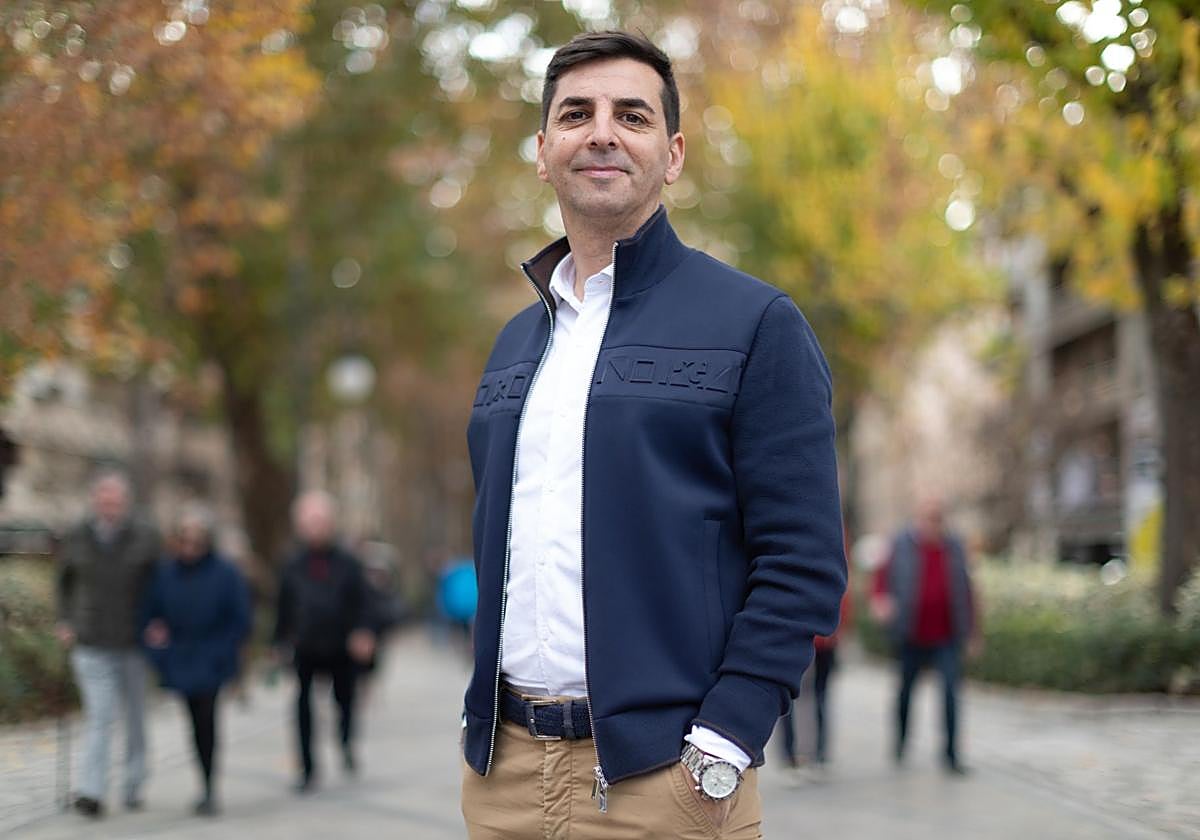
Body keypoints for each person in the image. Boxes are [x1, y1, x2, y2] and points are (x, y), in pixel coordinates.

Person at [460, 31, 846, 839]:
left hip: (664, 782)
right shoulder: (512, 347)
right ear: (542, 150)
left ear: (671, 155)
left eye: (630, 115)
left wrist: (723, 743)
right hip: (503, 782)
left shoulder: (755, 323)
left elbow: (803, 561)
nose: (601, 132)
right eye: (576, 114)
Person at [55, 470, 161, 818]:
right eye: (104, 500)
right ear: (94, 501)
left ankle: (133, 783)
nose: (109, 507)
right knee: (100, 717)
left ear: (125, 503)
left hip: (133, 641)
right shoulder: (77, 535)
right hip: (91, 640)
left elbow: (161, 585)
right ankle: (92, 791)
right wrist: (66, 620)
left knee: (135, 720)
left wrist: (160, 621)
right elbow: (64, 582)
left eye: (115, 501)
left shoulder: (144, 536)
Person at [141, 504, 251, 816]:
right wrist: (158, 646)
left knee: (207, 720)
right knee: (193, 721)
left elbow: (240, 618)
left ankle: (208, 785)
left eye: (196, 540)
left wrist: (226, 651)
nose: (190, 547)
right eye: (184, 539)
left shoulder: (225, 573)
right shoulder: (166, 573)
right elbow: (150, 616)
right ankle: (204, 781)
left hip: (211, 657)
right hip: (180, 658)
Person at [272, 491, 376, 793]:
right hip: (305, 645)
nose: (315, 527)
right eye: (309, 522)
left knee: (345, 701)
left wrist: (364, 631)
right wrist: (278, 642)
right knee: (302, 706)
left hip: (341, 644)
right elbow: (283, 605)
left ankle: (345, 741)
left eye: (320, 521)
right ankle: (307, 767)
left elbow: (365, 603)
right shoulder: (291, 564)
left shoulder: (349, 563)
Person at [871, 496, 980, 775]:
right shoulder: (901, 544)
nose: (934, 523)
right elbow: (882, 577)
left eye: (938, 517)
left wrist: (972, 632)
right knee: (906, 693)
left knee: (950, 695)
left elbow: (967, 590)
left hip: (947, 635)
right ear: (919, 518)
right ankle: (901, 743)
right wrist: (881, 600)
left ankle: (951, 755)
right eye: (929, 517)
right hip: (911, 633)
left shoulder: (954, 547)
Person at [777, 589, 850, 778]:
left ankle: (817, 754)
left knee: (819, 697)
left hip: (824, 641)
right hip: (798, 638)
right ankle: (793, 755)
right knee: (791, 696)